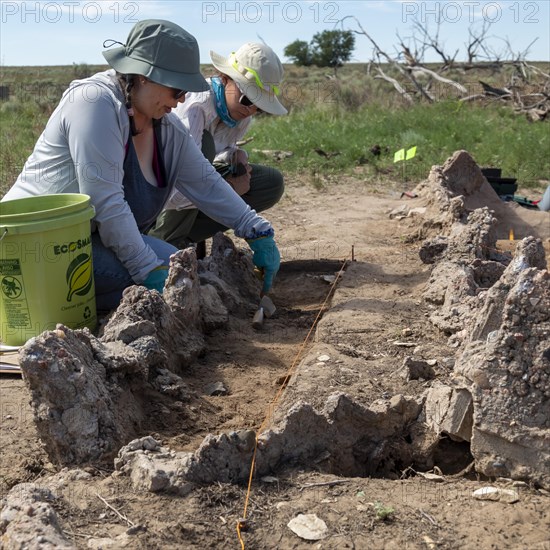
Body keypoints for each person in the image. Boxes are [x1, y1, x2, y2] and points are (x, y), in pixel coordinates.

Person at [1, 20, 280, 311]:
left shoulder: (165, 127)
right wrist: (147, 271)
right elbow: (105, 201)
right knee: (172, 282)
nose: (183, 99)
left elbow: (205, 181)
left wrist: (256, 228)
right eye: (177, 89)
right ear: (145, 75)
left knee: (177, 271)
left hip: (89, 240)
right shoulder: (94, 103)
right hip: (34, 248)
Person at [149, 42, 287, 253]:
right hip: (161, 193)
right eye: (248, 99)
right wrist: (230, 188)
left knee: (270, 183)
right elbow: (176, 191)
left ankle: (189, 236)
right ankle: (164, 239)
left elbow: (220, 154)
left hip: (197, 185)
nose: (251, 110)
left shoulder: (240, 114)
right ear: (225, 78)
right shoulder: (195, 108)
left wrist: (235, 156)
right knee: (202, 148)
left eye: (259, 108)